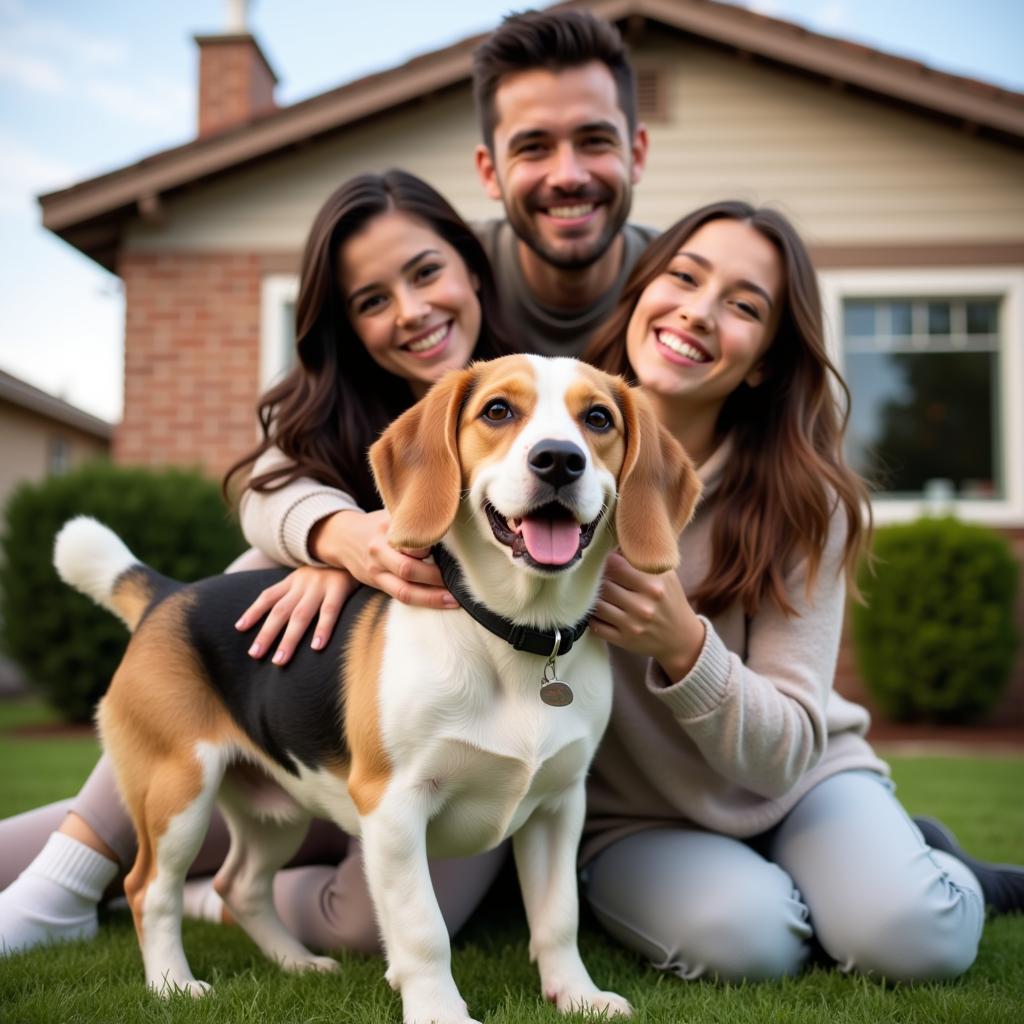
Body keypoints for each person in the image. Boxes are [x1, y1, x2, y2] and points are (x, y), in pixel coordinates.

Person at [0, 169, 512, 957]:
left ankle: (217, 899)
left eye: (425, 272)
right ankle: (64, 881)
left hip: (453, 754)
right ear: (345, 325)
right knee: (254, 572)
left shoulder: (546, 399)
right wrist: (334, 538)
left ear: (472, 267)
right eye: (371, 300)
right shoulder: (334, 405)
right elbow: (265, 496)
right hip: (290, 733)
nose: (411, 312)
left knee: (365, 924)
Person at [575, 199, 1022, 981]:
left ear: (766, 362)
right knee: (749, 943)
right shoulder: (545, 452)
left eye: (744, 306)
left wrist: (683, 647)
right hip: (633, 818)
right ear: (640, 292)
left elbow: (783, 752)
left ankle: (928, 868)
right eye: (682, 277)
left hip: (801, 784)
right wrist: (330, 540)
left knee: (916, 939)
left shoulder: (803, 503)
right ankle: (836, 885)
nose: (698, 312)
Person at [471, 8, 656, 355]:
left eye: (595, 141)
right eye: (534, 147)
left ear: (637, 154)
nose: (568, 176)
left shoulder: (684, 288)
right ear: (490, 172)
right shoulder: (442, 284)